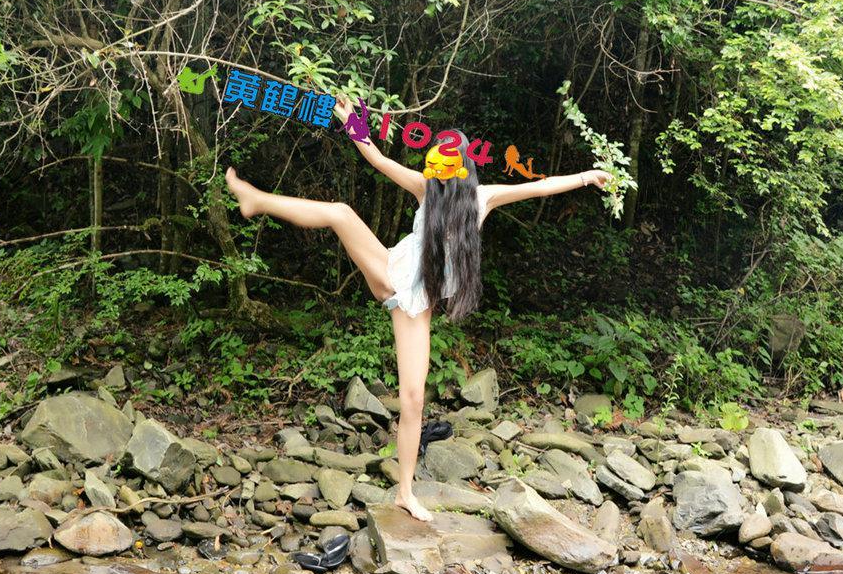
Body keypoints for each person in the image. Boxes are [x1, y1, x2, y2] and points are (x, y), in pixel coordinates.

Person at [224, 93, 613, 523]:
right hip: (390, 271)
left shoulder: (481, 199)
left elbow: (537, 187)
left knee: (412, 401)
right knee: (340, 213)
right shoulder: (425, 187)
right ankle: (255, 200)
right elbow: (377, 159)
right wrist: (353, 121)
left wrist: (585, 177)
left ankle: (404, 493)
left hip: (415, 306)